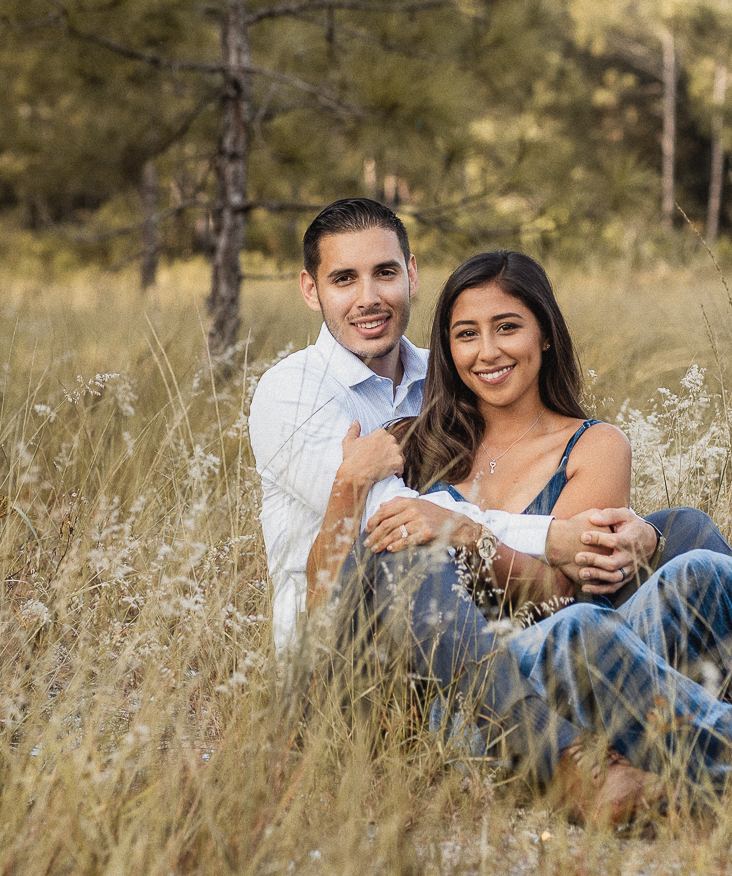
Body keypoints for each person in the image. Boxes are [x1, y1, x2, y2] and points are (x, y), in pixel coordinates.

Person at [368, 249, 732, 818]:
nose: (487, 351)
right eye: (465, 333)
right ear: (445, 348)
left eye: (507, 327)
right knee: (586, 625)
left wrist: (468, 533)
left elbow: (560, 591)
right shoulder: (410, 446)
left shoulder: (593, 445)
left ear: (544, 334)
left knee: (698, 570)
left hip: (600, 655)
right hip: (495, 698)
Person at [252, 199, 693, 823]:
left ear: (411, 272)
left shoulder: (446, 384)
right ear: (310, 289)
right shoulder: (291, 392)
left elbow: (503, 511)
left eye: (383, 273)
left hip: (470, 642)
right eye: (342, 279)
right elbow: (392, 523)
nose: (368, 297)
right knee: (408, 554)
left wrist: (640, 533)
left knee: (683, 529)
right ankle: (565, 761)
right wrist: (552, 536)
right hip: (344, 659)